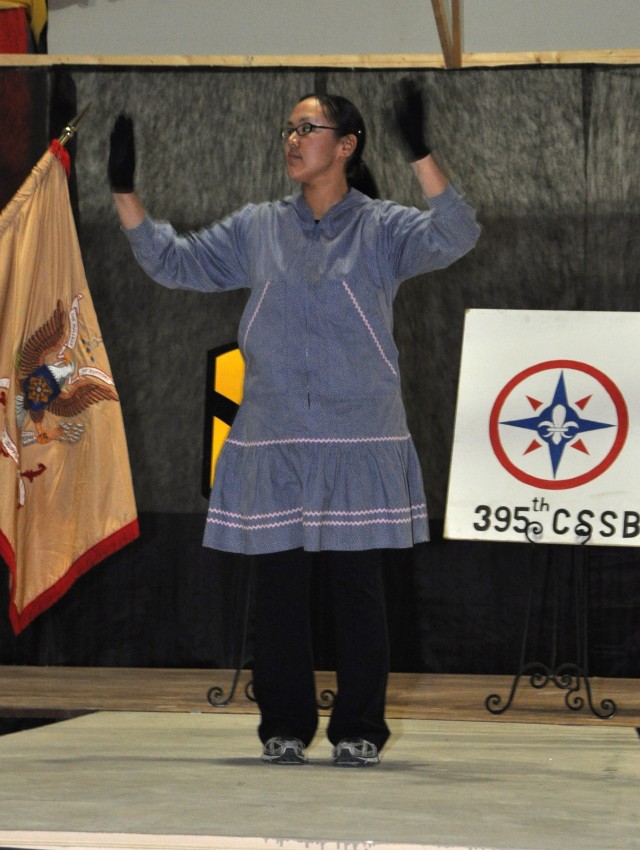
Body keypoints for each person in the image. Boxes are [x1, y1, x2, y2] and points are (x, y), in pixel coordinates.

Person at [108, 80, 480, 767]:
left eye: (306, 130)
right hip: (272, 436)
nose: (292, 141)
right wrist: (125, 192)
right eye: (287, 130)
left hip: (357, 436)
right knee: (277, 592)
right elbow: (172, 262)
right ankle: (283, 724)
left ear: (346, 146)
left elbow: (458, 233)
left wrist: (421, 151)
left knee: (357, 592)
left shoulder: (383, 227)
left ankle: (360, 728)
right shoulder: (258, 227)